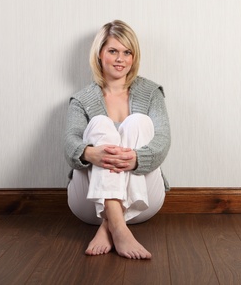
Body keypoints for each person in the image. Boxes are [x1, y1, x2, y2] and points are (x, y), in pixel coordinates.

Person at [64, 20, 171, 260]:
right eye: (113, 51)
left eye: (127, 52)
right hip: (90, 205)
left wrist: (135, 158)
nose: (120, 59)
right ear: (100, 54)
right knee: (100, 124)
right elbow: (69, 144)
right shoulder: (82, 100)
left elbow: (163, 140)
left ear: (134, 57)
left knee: (138, 122)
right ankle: (119, 228)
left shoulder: (151, 92)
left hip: (142, 202)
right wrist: (90, 154)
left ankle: (110, 225)